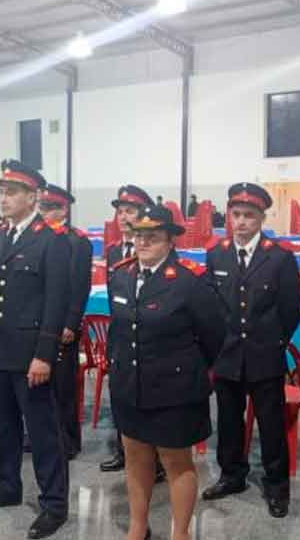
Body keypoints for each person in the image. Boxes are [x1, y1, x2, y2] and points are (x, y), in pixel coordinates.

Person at [0, 160, 71, 540]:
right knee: (5, 425)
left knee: (42, 431)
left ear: (33, 197)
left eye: (11, 192)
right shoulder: (0, 238)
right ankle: (7, 486)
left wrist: (44, 354)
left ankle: (54, 503)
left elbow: (55, 302)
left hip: (31, 356)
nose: (4, 199)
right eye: (2, 192)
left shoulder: (51, 240)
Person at [109, 205, 225, 540]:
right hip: (131, 385)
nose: (143, 242)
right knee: (135, 458)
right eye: (139, 235)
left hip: (175, 389)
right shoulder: (121, 274)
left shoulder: (189, 280)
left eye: (153, 236)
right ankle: (137, 526)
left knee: (176, 462)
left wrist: (189, 370)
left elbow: (214, 335)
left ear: (170, 241)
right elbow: (119, 332)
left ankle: (181, 533)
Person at [203, 182, 300, 518]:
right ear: (229, 216)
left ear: (262, 217)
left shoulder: (279, 257)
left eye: (249, 215)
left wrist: (273, 340)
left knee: (271, 424)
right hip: (227, 354)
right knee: (229, 421)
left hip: (264, 354)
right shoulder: (216, 253)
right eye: (236, 214)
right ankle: (232, 475)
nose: (241, 221)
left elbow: (292, 308)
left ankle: (277, 486)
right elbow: (212, 305)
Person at [102, 184, 155, 474]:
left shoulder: (151, 250)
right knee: (120, 395)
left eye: (130, 211)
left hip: (147, 338)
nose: (123, 217)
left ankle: (153, 461)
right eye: (120, 211)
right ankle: (125, 451)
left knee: (147, 400)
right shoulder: (113, 253)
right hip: (120, 335)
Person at [38, 184, 92, 460]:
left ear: (64, 209)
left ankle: (68, 439)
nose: (45, 213)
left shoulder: (77, 241)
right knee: (39, 388)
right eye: (43, 207)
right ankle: (43, 435)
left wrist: (71, 323)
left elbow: (79, 286)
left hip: (63, 326)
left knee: (63, 387)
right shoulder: (38, 239)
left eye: (51, 208)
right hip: (39, 324)